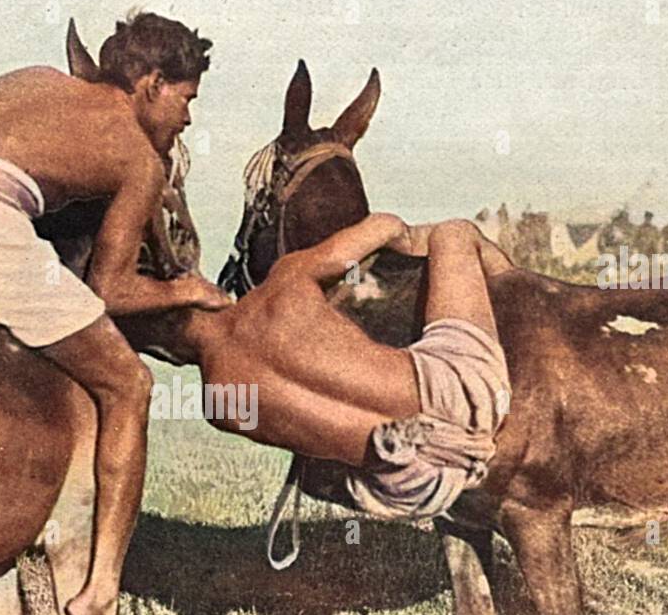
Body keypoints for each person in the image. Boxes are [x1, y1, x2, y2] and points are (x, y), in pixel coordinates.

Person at [0, 12, 229, 615]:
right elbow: (109, 290)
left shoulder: (31, 79)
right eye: (186, 98)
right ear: (149, 82)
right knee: (129, 385)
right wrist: (184, 289)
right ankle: (102, 589)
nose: (188, 119)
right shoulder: (139, 160)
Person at [180, 215, 512, 520]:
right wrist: (405, 241)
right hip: (462, 395)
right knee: (453, 233)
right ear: (205, 293)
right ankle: (536, 310)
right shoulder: (286, 282)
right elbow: (388, 226)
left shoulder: (220, 402)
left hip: (417, 486)